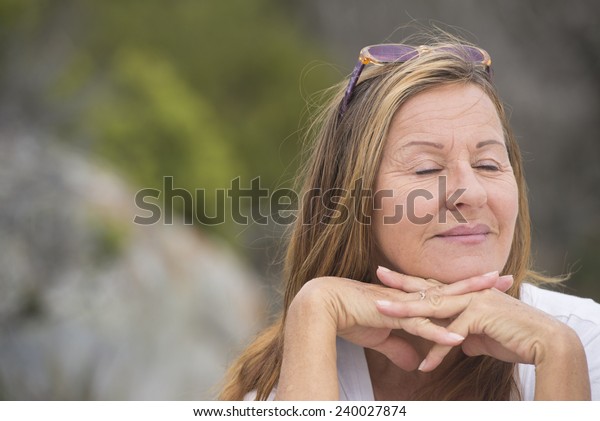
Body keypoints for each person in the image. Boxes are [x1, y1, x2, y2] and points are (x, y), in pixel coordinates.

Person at [219, 33, 600, 400]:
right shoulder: (303, 371)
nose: (470, 192)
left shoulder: (584, 340)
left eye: (487, 164)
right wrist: (313, 309)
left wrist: (560, 358)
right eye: (425, 170)